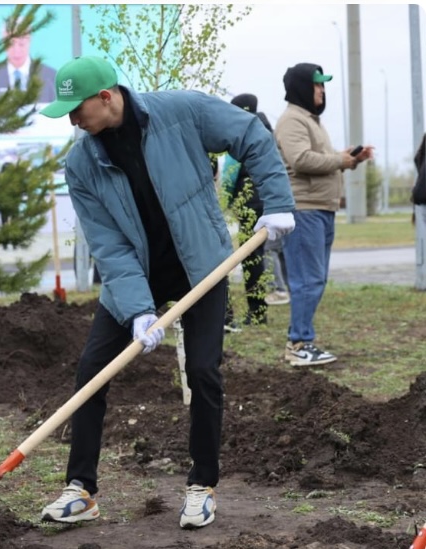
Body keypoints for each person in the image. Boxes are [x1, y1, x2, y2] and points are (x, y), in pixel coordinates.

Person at [38, 56, 296, 529]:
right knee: (91, 371)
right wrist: (137, 309)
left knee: (203, 371)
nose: (72, 119)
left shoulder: (182, 112)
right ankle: (81, 490)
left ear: (107, 96)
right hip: (137, 275)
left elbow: (251, 137)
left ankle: (202, 486)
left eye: (77, 109)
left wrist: (277, 203)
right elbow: (109, 245)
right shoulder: (81, 163)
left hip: (201, 264)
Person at [274, 63, 373, 367]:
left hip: (320, 209)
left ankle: (302, 339)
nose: (322, 89)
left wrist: (347, 160)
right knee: (307, 281)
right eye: (317, 84)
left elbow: (320, 159)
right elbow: (301, 160)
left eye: (324, 84)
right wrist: (339, 159)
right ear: (302, 87)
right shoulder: (293, 120)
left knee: (314, 279)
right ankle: (298, 344)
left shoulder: (311, 121)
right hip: (304, 210)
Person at [221, 93, 274, 326]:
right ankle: (259, 309)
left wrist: (225, 200)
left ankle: (255, 312)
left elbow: (230, 174)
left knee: (249, 256)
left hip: (248, 202)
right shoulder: (266, 130)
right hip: (266, 199)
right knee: (259, 256)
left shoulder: (241, 131)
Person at [0, 22, 57, 104]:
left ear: (29, 41)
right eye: (10, 44)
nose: (16, 51)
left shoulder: (49, 76)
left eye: (21, 44)